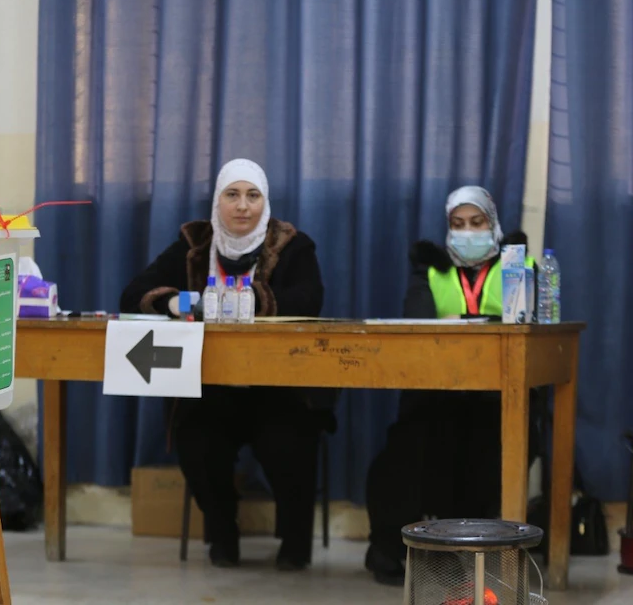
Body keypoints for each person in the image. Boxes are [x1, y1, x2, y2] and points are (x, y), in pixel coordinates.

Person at [120, 158, 336, 571]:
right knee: (197, 439)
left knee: (290, 442)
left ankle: (295, 540)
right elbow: (133, 293)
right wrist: (174, 301)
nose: (242, 206)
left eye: (253, 196)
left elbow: (309, 300)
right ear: (217, 202)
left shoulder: (293, 246)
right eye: (232, 195)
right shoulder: (195, 245)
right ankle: (222, 532)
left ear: (265, 202)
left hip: (278, 389)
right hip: (212, 388)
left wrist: (250, 301)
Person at [364, 185, 537, 586]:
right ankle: (389, 549)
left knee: (479, 451)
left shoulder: (518, 264)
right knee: (399, 455)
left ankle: (463, 551)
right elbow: (418, 321)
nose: (468, 232)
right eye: (458, 224)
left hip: (497, 399)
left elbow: (530, 325)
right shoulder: (430, 268)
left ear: (492, 223)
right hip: (438, 396)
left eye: (477, 222)